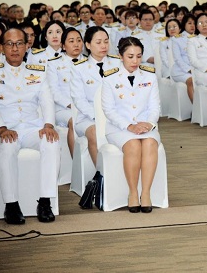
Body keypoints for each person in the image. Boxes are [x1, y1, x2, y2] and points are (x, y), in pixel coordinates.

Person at [0, 28, 60, 224]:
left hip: (32, 128)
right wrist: (1, 128)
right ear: (2, 47)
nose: (14, 48)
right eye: (9, 44)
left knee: (51, 142)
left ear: (27, 46)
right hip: (6, 128)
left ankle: (45, 202)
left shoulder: (38, 72)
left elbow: (47, 100)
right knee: (7, 148)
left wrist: (48, 125)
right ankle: (11, 205)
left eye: (19, 43)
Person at [101, 37, 160, 213]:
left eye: (139, 56)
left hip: (146, 125)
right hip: (119, 128)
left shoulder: (150, 76)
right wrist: (129, 126)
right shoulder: (109, 78)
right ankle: (133, 193)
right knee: (133, 145)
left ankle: (146, 193)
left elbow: (155, 107)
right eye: (130, 56)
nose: (135, 61)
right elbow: (109, 110)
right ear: (121, 56)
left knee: (150, 143)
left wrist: (149, 123)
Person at [70, 26, 120, 165]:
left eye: (106, 41)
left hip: (116, 114)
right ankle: (100, 173)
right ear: (88, 45)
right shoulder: (78, 68)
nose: (103, 46)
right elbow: (79, 100)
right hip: (88, 117)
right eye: (98, 42)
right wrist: (98, 116)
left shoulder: (118, 63)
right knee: (94, 132)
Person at [46, 27, 85, 157]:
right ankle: (76, 163)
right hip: (63, 108)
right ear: (63, 46)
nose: (76, 44)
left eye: (79, 40)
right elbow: (54, 92)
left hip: (86, 107)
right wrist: (72, 105)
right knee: (74, 120)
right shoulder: (54, 64)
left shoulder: (89, 62)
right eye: (71, 41)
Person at [187, 13, 207, 105]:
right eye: (201, 23)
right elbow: (193, 60)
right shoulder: (192, 41)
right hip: (202, 73)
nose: (204, 25)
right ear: (196, 26)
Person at [170, 14, 197, 102]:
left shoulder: (199, 38)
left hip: (197, 69)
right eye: (189, 23)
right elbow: (178, 59)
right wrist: (189, 69)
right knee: (191, 81)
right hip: (181, 71)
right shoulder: (177, 39)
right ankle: (196, 107)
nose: (192, 25)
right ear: (184, 24)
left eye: (194, 23)